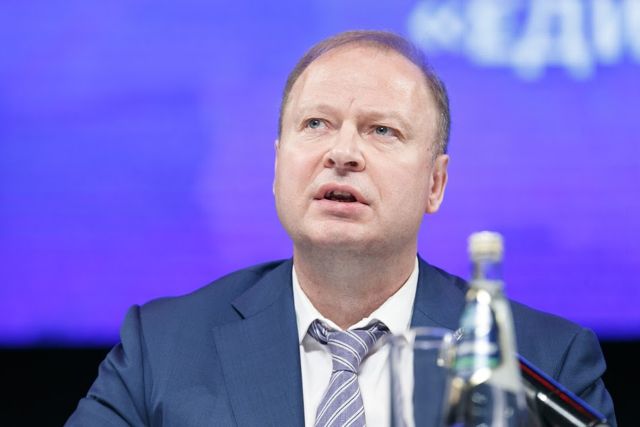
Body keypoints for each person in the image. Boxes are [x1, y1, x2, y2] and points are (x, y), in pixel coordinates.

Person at [66, 30, 616, 426]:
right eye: (316, 124)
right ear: (277, 166)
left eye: (381, 130)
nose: (342, 153)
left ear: (436, 183)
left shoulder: (548, 362)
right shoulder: (162, 348)